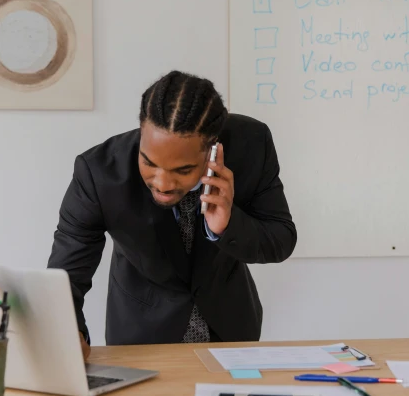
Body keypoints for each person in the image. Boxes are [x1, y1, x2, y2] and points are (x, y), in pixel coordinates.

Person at [48, 70, 296, 358]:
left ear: (212, 148)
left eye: (183, 170)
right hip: (142, 337)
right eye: (148, 162)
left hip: (231, 332)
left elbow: (281, 239)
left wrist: (227, 225)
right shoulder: (98, 174)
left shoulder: (252, 145)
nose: (163, 184)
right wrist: (69, 329)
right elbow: (67, 271)